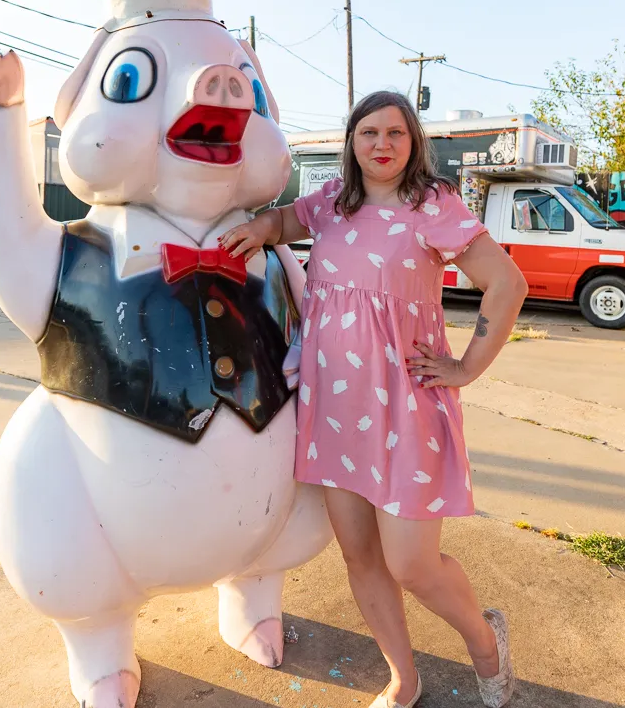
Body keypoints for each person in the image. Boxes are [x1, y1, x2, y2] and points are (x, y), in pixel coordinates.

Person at [221, 91, 529, 708]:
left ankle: (485, 643)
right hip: (334, 410)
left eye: (395, 132)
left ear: (413, 142)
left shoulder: (431, 206)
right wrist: (259, 226)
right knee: (361, 558)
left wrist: (466, 366)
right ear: (352, 142)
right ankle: (402, 678)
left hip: (408, 408)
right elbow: (287, 222)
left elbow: (506, 283)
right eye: (369, 133)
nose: (381, 144)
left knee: (413, 565)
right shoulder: (333, 203)